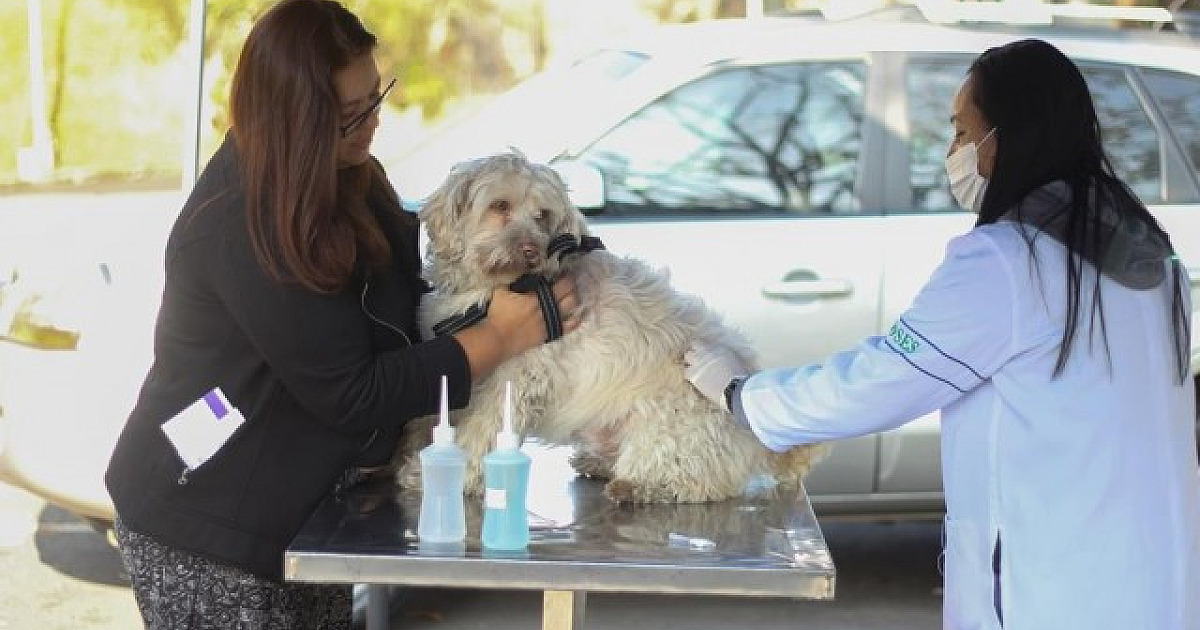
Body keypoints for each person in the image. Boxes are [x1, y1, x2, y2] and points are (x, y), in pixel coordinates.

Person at [687, 39, 1197, 630]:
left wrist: (741, 397)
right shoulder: (1145, 246)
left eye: (962, 131)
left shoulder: (1008, 261)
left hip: (1051, 587)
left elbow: (886, 380)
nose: (955, 152)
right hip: (1151, 580)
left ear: (1010, 132)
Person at [104, 1, 577, 628]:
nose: (371, 125)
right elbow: (351, 391)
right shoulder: (239, 223)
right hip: (210, 522)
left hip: (308, 512)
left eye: (375, 98)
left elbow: (403, 305)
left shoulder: (347, 173)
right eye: (349, 115)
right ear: (292, 120)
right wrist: (499, 335)